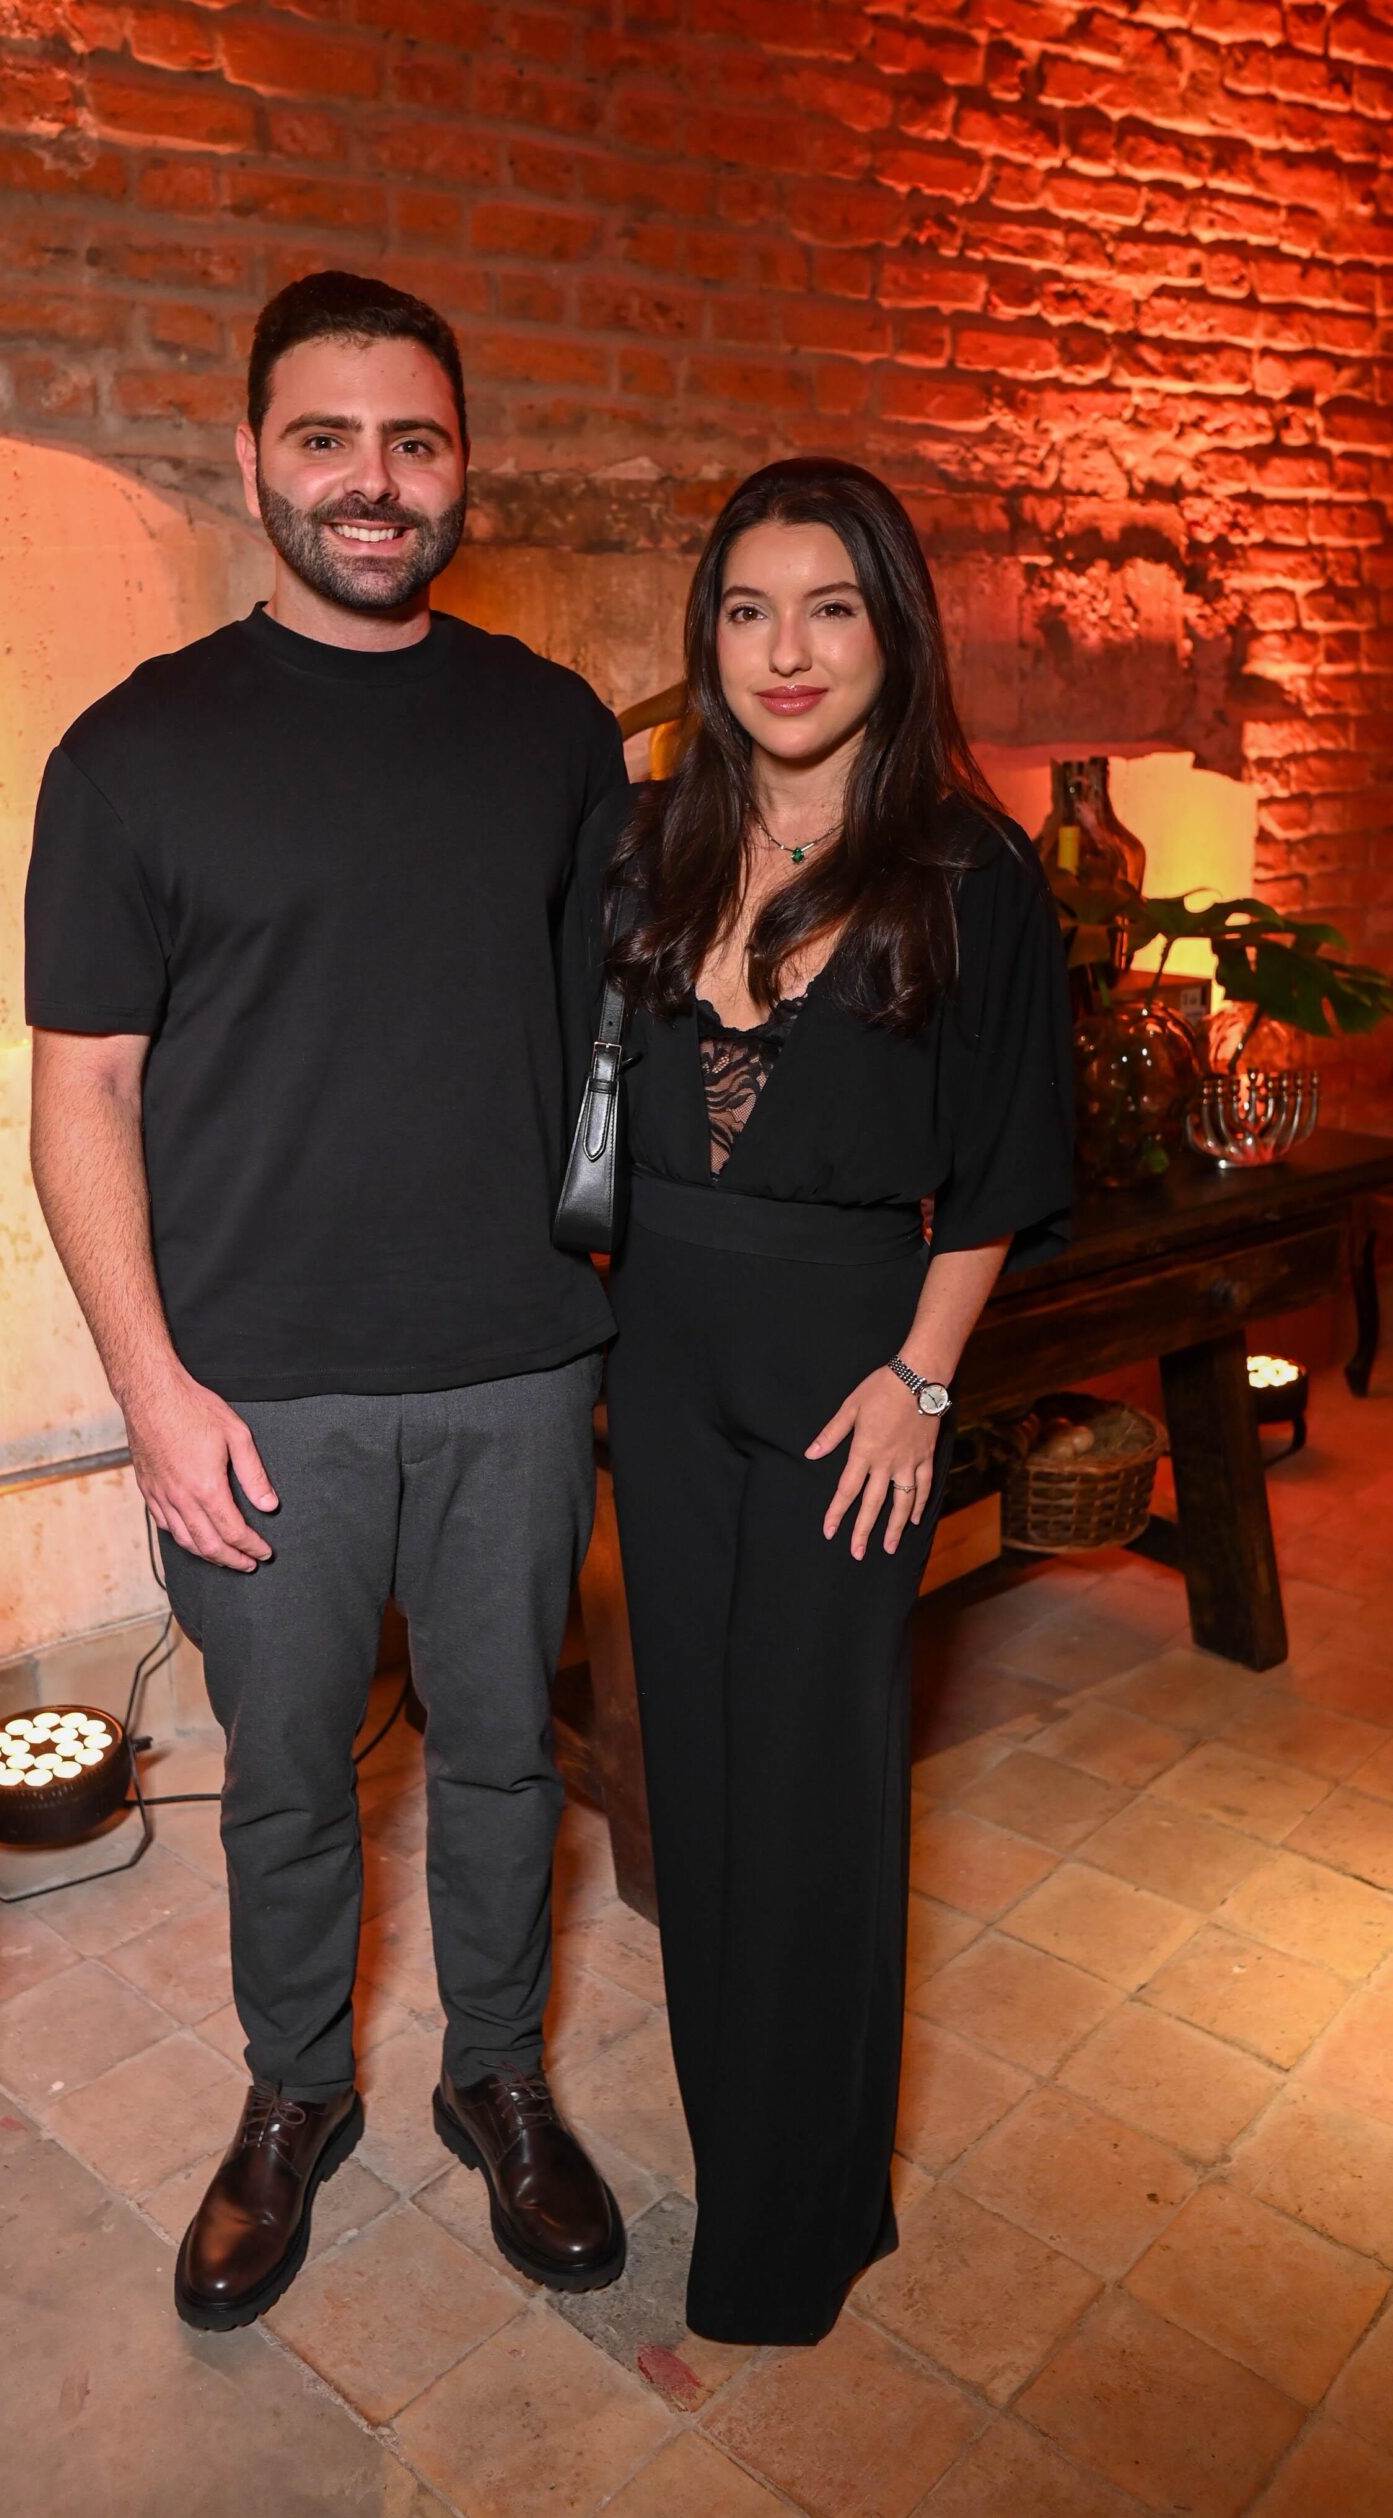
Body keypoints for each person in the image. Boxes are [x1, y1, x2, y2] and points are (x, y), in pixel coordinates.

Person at [24, 270, 629, 2329]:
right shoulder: (133, 751)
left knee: (505, 1758)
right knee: (286, 1777)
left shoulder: (551, 730)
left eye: (412, 441)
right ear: (249, 459)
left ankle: (496, 2075)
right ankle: (295, 2092)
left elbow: (610, 1042)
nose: (373, 481)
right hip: (253, 1393)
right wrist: (152, 1389)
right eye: (326, 438)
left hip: (517, 1368)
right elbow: (82, 1095)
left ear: (461, 466)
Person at [600, 457, 1072, 2345]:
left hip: (846, 1384)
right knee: (697, 1781)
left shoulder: (968, 872)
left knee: (809, 1787)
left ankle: (796, 2228)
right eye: (745, 610)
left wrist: (919, 1382)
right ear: (707, 637)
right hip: (661, 1365)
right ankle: (739, 2158)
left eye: (827, 609)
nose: (782, 652)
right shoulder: (650, 847)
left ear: (891, 633)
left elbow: (1010, 1163)